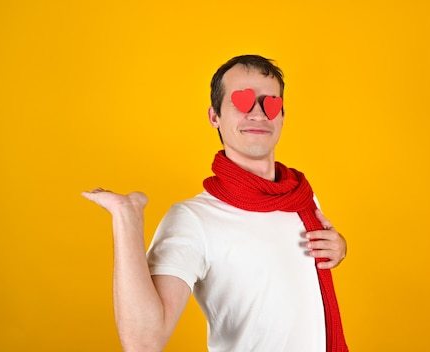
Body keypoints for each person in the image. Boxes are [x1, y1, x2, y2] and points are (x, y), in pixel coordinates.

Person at [82, 55, 349, 352]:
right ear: (215, 117)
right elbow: (144, 342)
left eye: (270, 103)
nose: (259, 114)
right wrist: (125, 220)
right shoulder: (194, 219)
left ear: (282, 116)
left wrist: (340, 246)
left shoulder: (301, 196)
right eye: (241, 102)